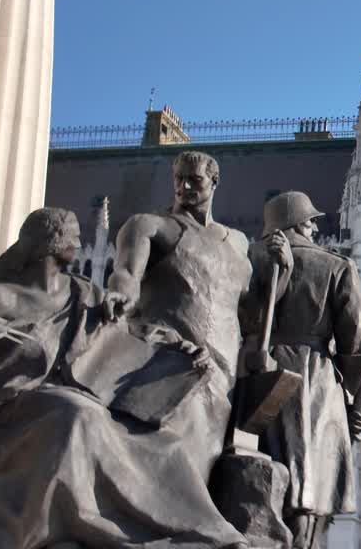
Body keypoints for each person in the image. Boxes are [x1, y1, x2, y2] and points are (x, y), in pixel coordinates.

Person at [0, 208, 250, 548]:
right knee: (77, 414)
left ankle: (210, 534)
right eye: (71, 233)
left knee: (162, 443)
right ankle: (94, 527)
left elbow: (132, 331)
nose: (79, 239)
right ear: (49, 243)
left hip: (72, 396)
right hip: (8, 407)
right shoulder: (3, 296)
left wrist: (181, 346)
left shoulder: (84, 292)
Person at [106, 150, 277, 482]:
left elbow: (252, 314)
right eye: (178, 179)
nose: (184, 187)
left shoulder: (239, 244)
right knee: (171, 461)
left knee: (205, 465)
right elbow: (126, 273)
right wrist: (120, 294)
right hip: (172, 363)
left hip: (224, 375)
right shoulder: (149, 226)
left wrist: (281, 272)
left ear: (214, 183)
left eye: (194, 180)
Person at [242, 191, 361, 549]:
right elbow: (359, 343)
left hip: (254, 374)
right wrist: (357, 405)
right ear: (299, 224)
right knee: (306, 484)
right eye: (311, 220)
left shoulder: (247, 257)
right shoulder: (336, 266)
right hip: (312, 379)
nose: (316, 227)